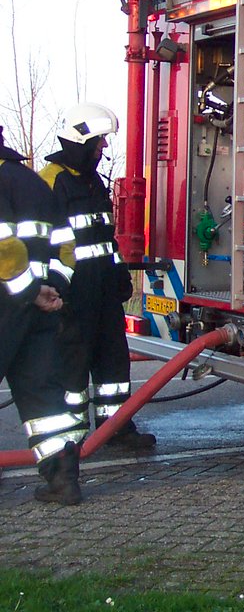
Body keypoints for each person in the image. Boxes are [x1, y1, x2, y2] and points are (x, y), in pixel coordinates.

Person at [39, 103, 156, 450]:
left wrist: (118, 269)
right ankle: (69, 441)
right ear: (81, 139)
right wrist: (55, 288)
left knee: (113, 362)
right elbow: (42, 243)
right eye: (100, 141)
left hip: (103, 291)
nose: (104, 147)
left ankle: (116, 427)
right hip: (71, 294)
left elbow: (104, 237)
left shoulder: (92, 183)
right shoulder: (50, 183)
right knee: (71, 368)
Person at [0, 124, 89, 503]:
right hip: (40, 308)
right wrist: (53, 289)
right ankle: (63, 480)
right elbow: (67, 247)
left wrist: (30, 292)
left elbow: (6, 251)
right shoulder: (33, 181)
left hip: (10, 301)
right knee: (44, 397)